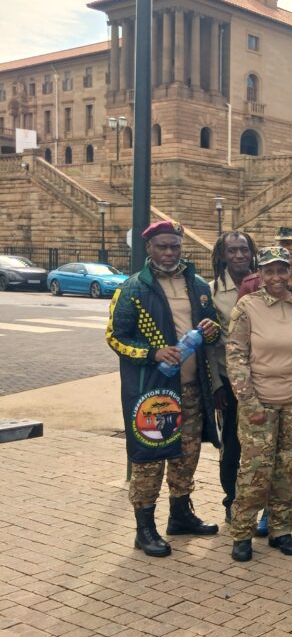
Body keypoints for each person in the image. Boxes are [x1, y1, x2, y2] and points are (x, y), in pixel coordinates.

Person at [106, 220, 220, 557]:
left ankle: (181, 515)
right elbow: (115, 337)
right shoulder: (133, 289)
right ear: (149, 249)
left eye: (175, 246)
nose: (169, 253)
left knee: (187, 455)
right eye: (162, 247)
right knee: (150, 459)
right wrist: (151, 353)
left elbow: (211, 332)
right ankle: (145, 529)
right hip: (152, 392)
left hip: (191, 388)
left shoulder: (197, 284)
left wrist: (211, 329)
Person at [225, 247, 292, 561]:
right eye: (269, 271)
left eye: (281, 270)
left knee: (289, 469)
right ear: (260, 273)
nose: (276, 277)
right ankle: (242, 532)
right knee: (255, 471)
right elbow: (235, 358)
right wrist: (249, 402)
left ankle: (281, 530)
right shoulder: (248, 306)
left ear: (291, 272)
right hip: (259, 402)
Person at [210, 230, 257, 522]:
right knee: (233, 446)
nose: (239, 256)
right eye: (233, 251)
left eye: (244, 250)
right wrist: (216, 384)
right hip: (230, 382)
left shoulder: (264, 283)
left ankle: (271, 499)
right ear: (223, 255)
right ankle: (232, 500)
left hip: (266, 379)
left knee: (267, 444)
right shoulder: (212, 292)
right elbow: (209, 345)